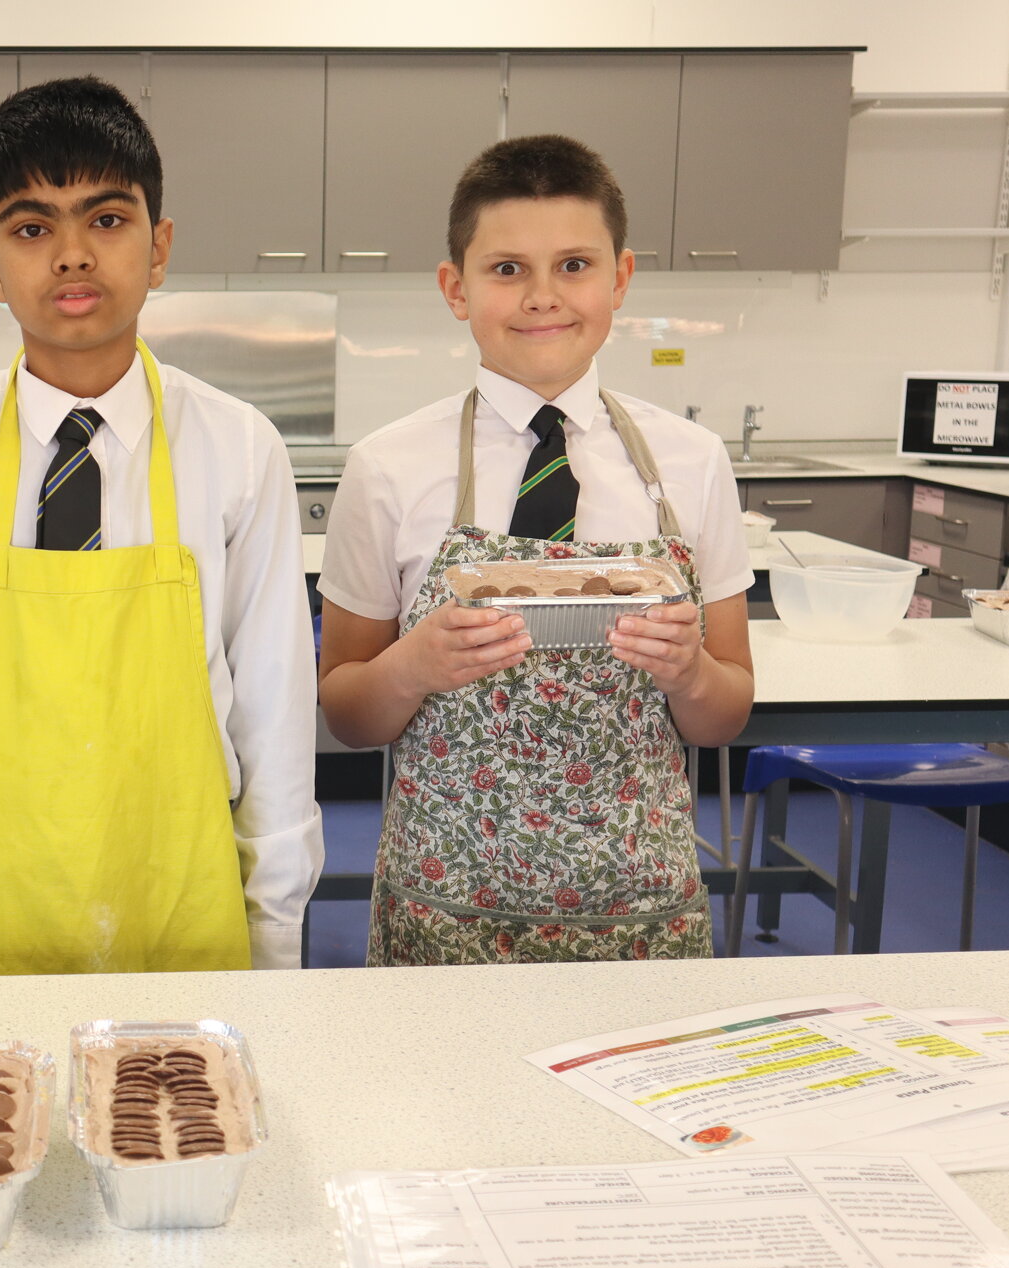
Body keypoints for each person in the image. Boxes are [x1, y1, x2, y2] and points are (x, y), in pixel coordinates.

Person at [0, 77, 322, 977]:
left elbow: (275, 719)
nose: (71, 256)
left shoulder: (240, 449)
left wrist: (275, 949)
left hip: (181, 903)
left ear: (159, 244)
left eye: (105, 220)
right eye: (32, 228)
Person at [316, 135, 755, 966]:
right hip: (444, 917)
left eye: (576, 266)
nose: (543, 297)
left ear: (620, 278)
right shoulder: (388, 467)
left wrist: (691, 673)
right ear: (457, 287)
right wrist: (413, 667)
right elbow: (344, 710)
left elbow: (725, 713)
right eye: (507, 268)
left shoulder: (692, 464)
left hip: (644, 919)